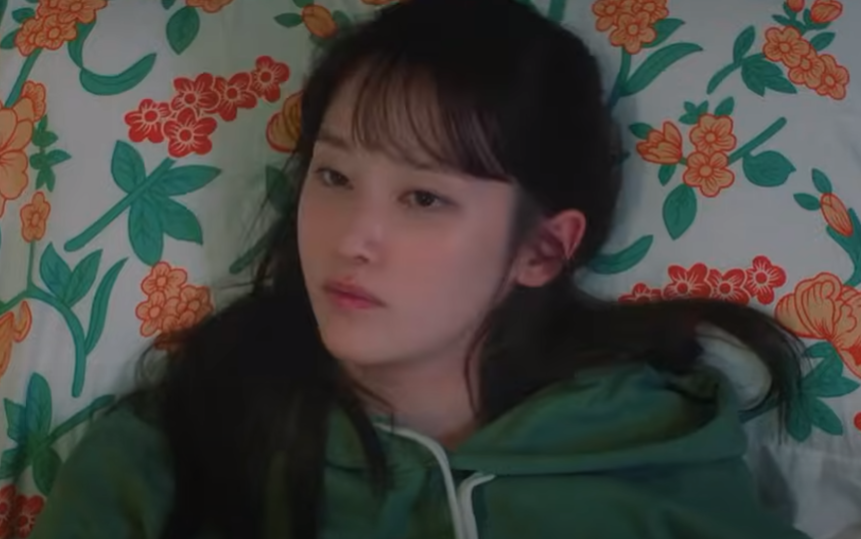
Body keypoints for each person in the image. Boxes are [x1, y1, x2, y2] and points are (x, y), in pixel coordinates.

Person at [31, 0, 810, 538]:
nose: (353, 238)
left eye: (424, 198)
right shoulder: (162, 456)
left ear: (539, 251)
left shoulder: (659, 460)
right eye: (333, 176)